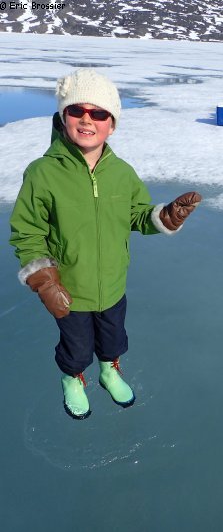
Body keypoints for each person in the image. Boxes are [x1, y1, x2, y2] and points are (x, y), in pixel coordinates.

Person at [9, 68, 202, 420]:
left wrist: (165, 216)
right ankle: (73, 377)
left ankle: (110, 370)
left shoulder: (122, 172)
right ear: (63, 117)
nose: (87, 120)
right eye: (76, 111)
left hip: (113, 285)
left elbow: (137, 214)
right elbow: (27, 231)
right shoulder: (42, 173)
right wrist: (44, 279)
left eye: (98, 113)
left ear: (111, 124)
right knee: (77, 346)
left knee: (113, 339)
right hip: (69, 289)